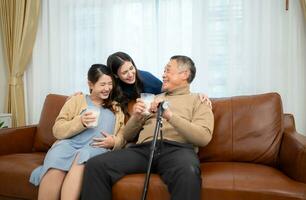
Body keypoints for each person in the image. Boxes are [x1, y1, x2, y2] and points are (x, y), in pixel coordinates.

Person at [81, 55, 214, 200]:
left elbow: (203, 138)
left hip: (178, 150)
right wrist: (136, 117)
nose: (163, 74)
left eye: (168, 70)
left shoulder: (198, 101)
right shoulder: (153, 98)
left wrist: (170, 116)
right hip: (144, 149)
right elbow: (127, 135)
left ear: (185, 74)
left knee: (188, 171)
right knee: (96, 165)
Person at [29, 64, 126, 200]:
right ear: (90, 84)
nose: (107, 88)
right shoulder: (76, 100)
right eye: (102, 84)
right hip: (69, 145)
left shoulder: (116, 108)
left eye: (110, 84)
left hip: (95, 148)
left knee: (83, 155)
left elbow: (123, 135)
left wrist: (114, 141)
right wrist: (80, 122)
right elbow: (57, 130)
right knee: (56, 158)